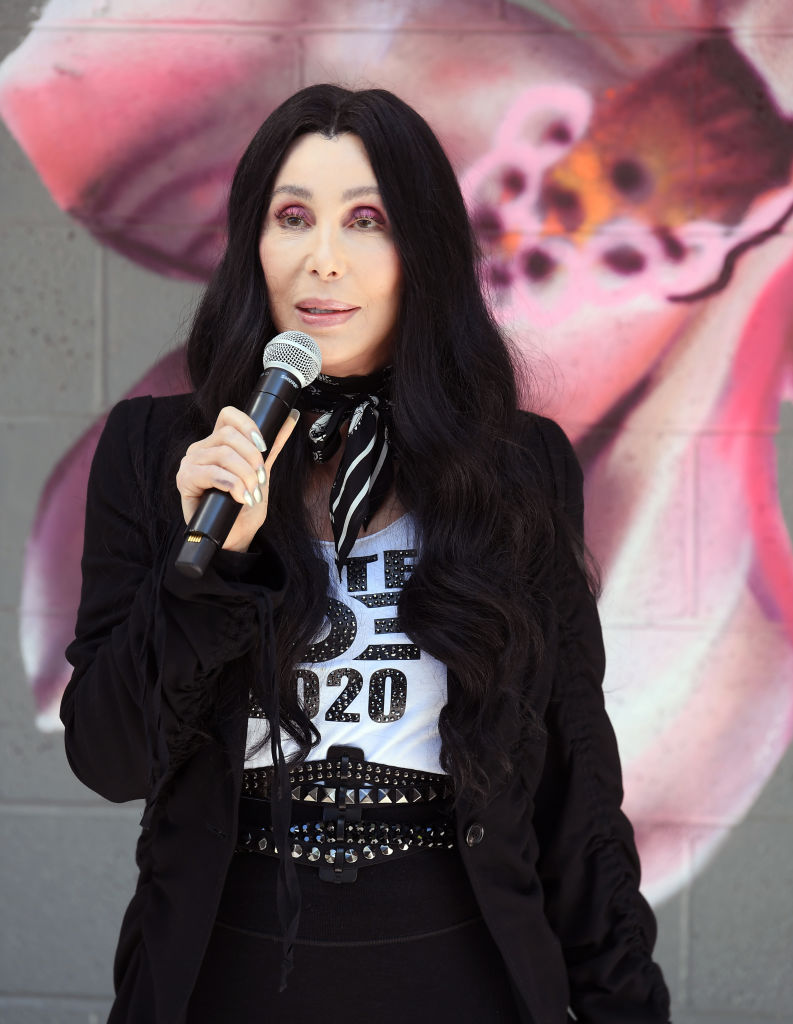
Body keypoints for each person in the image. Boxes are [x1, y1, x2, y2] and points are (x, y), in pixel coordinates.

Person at [62, 83, 672, 1024]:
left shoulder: (513, 467)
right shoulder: (162, 455)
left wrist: (624, 1004)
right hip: (229, 966)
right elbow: (109, 759)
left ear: (419, 251)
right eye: (292, 217)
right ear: (251, 244)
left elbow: (573, 788)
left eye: (367, 220)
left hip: (459, 964)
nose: (324, 260)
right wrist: (212, 563)